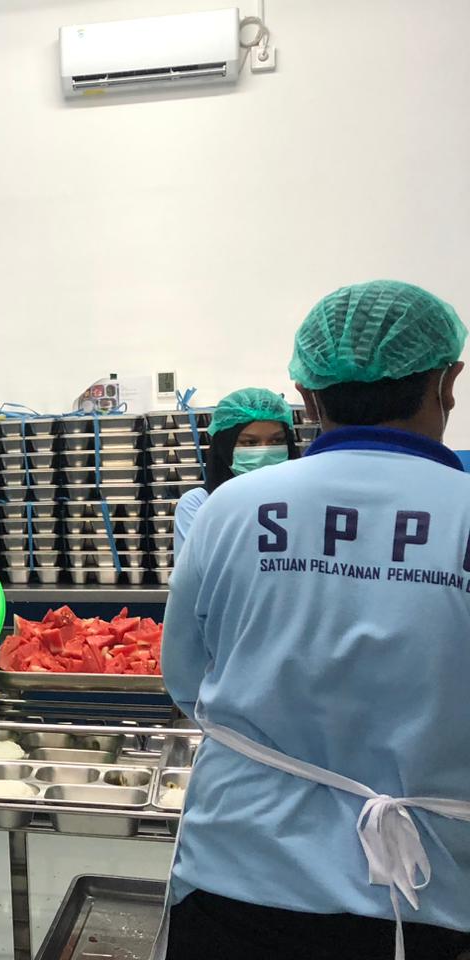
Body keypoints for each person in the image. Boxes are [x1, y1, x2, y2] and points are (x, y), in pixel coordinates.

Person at [159, 280, 470, 960]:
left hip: (237, 871)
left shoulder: (229, 511)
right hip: (426, 888)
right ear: (448, 382)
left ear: (305, 396)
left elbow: (185, 680)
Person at [173, 388, 301, 553]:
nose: (265, 451)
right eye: (250, 443)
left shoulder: (303, 499)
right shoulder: (198, 504)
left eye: (277, 441)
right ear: (225, 447)